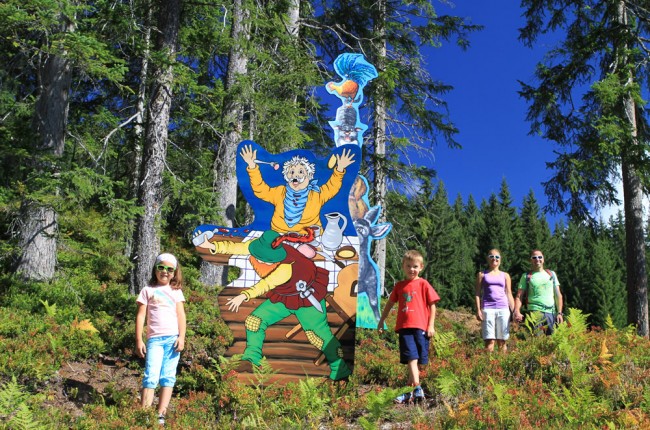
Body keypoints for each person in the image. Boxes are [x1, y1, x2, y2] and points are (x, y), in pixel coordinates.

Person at [197, 230, 352, 381]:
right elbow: (236, 247)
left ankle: (340, 368)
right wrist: (212, 246)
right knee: (254, 321)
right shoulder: (259, 246)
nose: (262, 261)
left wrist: (244, 295)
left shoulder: (286, 267)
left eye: (266, 260)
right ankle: (251, 358)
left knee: (318, 337)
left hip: (307, 299)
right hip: (285, 296)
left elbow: (266, 284)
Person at [240, 144, 356, 234]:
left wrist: (339, 168)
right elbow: (260, 189)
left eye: (301, 171)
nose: (296, 175)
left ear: (309, 176)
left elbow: (332, 186)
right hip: (279, 235)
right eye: (292, 172)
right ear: (287, 177)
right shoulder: (279, 192)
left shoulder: (316, 194)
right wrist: (252, 166)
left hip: (311, 239)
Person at [377, 250, 440, 404]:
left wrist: (431, 325)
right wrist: (381, 320)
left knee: (419, 359)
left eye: (415, 266)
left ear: (421, 267)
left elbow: (433, 306)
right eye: (408, 266)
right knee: (411, 356)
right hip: (404, 327)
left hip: (422, 327)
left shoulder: (423, 283)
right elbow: (390, 304)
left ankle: (408, 391)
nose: (412, 269)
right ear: (403, 267)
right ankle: (417, 388)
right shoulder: (400, 286)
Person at [135, 253, 186, 426]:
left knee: (168, 377)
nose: (165, 272)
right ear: (155, 269)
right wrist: (139, 340)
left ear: (174, 272)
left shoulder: (176, 292)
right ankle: (144, 414)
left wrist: (182, 337)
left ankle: (160, 414)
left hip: (172, 340)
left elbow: (181, 316)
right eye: (161, 267)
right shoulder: (147, 290)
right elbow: (141, 317)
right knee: (151, 376)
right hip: (154, 340)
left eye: (169, 269)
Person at [513, 249, 564, 335]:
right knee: (537, 341)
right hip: (534, 312)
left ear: (543, 259)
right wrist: (517, 311)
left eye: (540, 257)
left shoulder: (552, 274)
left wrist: (559, 313)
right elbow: (519, 296)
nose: (537, 259)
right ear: (531, 260)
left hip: (551, 313)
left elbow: (558, 295)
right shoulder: (526, 276)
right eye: (534, 257)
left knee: (551, 343)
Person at [474, 249, 514, 353]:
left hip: (503, 309)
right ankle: (489, 367)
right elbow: (477, 293)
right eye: (492, 256)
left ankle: (503, 367)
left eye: (497, 257)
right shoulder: (482, 274)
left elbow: (509, 293)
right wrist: (478, 310)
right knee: (489, 341)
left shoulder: (505, 275)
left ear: (500, 260)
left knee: (502, 341)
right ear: (488, 259)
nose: (494, 259)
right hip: (487, 308)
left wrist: (514, 311)